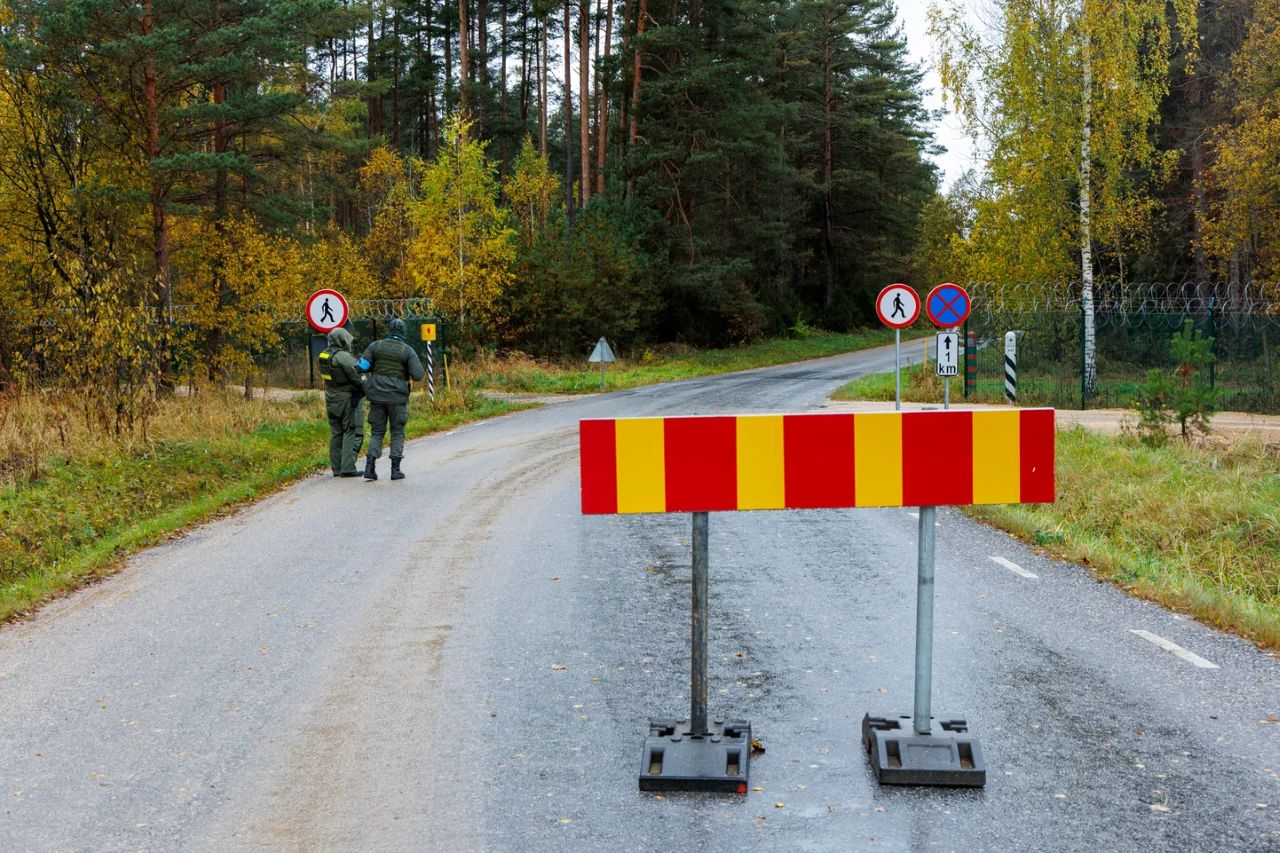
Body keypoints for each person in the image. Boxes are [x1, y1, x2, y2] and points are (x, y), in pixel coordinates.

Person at [357, 317, 424, 481]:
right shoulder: (407, 350)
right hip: (397, 398)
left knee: (377, 432)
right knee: (397, 431)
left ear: (389, 330)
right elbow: (418, 374)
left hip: (377, 397)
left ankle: (370, 467)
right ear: (403, 332)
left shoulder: (376, 346)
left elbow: (362, 367)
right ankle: (395, 470)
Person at [318, 327, 365, 477]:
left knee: (336, 432)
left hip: (331, 397)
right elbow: (357, 375)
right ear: (341, 340)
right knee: (350, 430)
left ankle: (336, 468)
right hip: (346, 398)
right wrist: (366, 389)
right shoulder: (343, 357)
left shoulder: (324, 355)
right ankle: (348, 467)